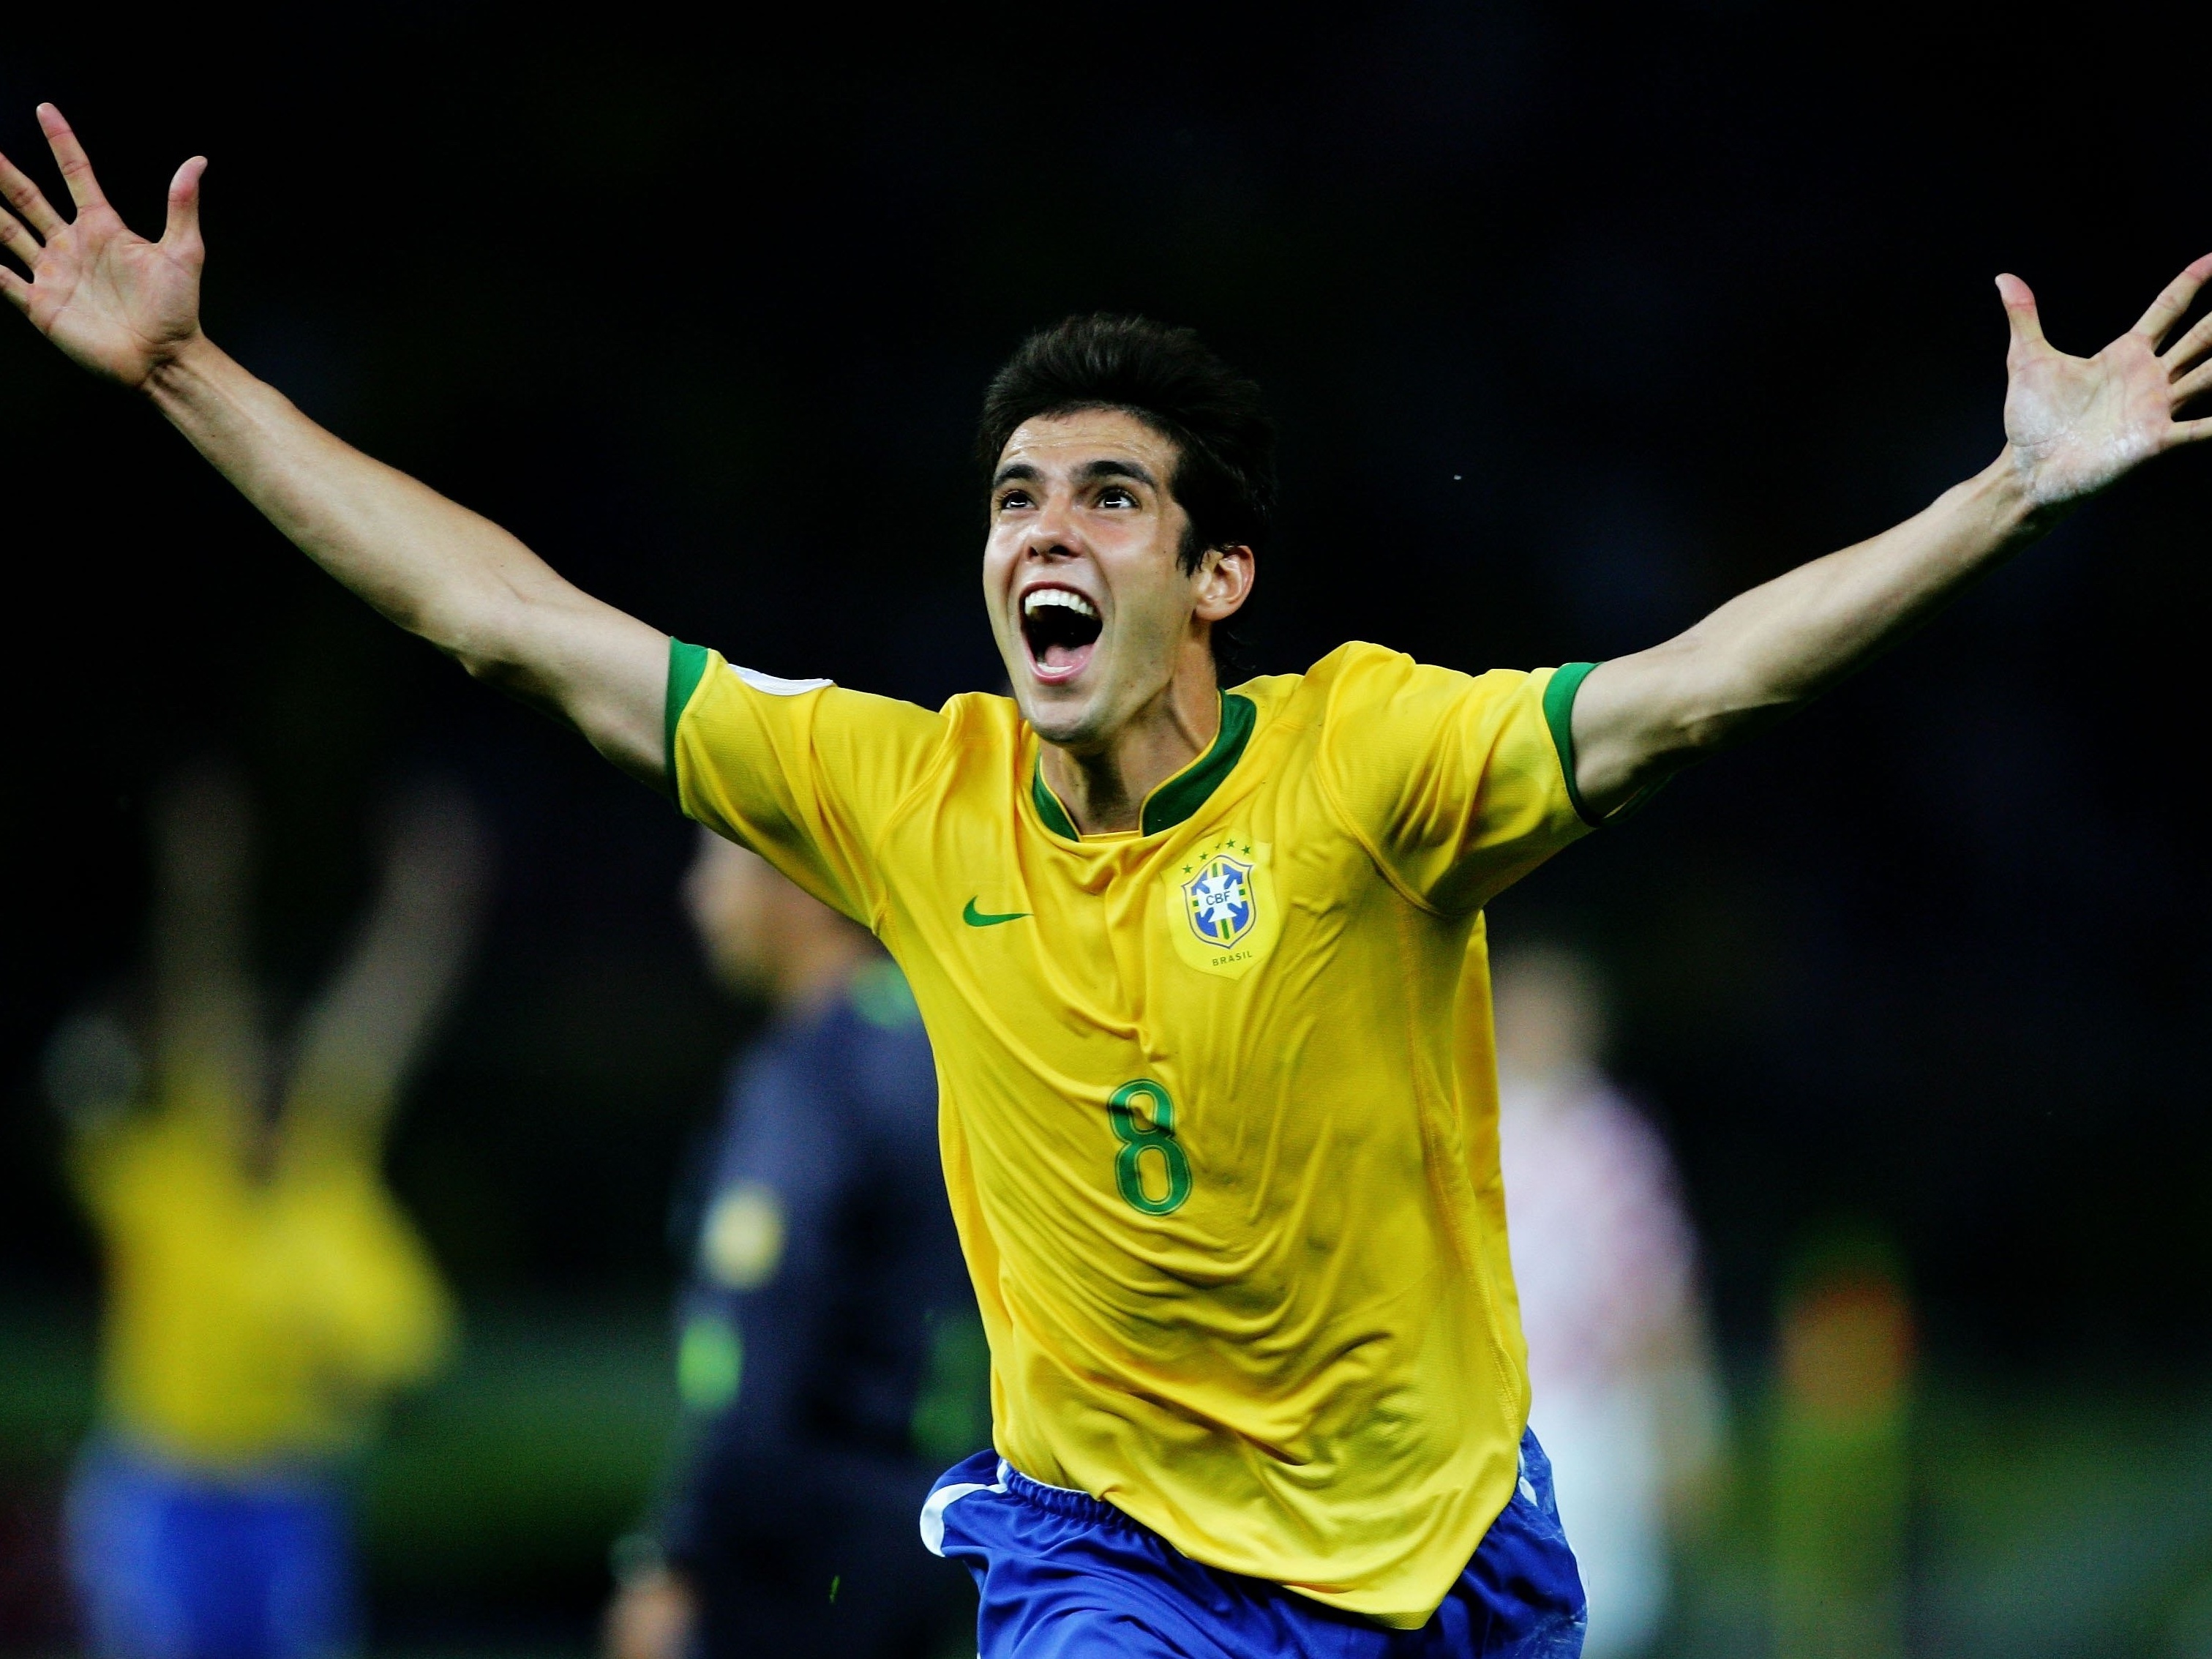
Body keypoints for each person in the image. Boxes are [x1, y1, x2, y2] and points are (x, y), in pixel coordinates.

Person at [4, 102, 2207, 1656]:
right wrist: (191, 369)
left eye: (1107, 497)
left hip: (1442, 1545)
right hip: (1105, 1557)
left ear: (1213, 570)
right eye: (1010, 495)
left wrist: (1995, 497)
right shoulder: (904, 789)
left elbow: (1686, 692)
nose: (1038, 526)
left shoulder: (1366, 760)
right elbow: (510, 620)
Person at [40, 766, 486, 1659]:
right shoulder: (172, 1163)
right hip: (164, 1483)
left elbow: (379, 1020)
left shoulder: (320, 1164)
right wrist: (199, 878)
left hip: (286, 1491)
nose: (245, 1076)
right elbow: (198, 986)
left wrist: (427, 909)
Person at [604, 831, 985, 1659]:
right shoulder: (934, 1047)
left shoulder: (813, 1074)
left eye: (717, 866)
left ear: (803, 887)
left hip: (803, 1547)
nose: (697, 899)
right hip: (935, 1523)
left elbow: (761, 1329)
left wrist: (678, 1554)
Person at [1491, 946, 1721, 1658]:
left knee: (1595, 1621)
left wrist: (1685, 1423)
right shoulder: (1461, 1120)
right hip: (1473, 1418)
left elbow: (1653, 1295)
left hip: (1583, 1421)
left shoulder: (1610, 1140)